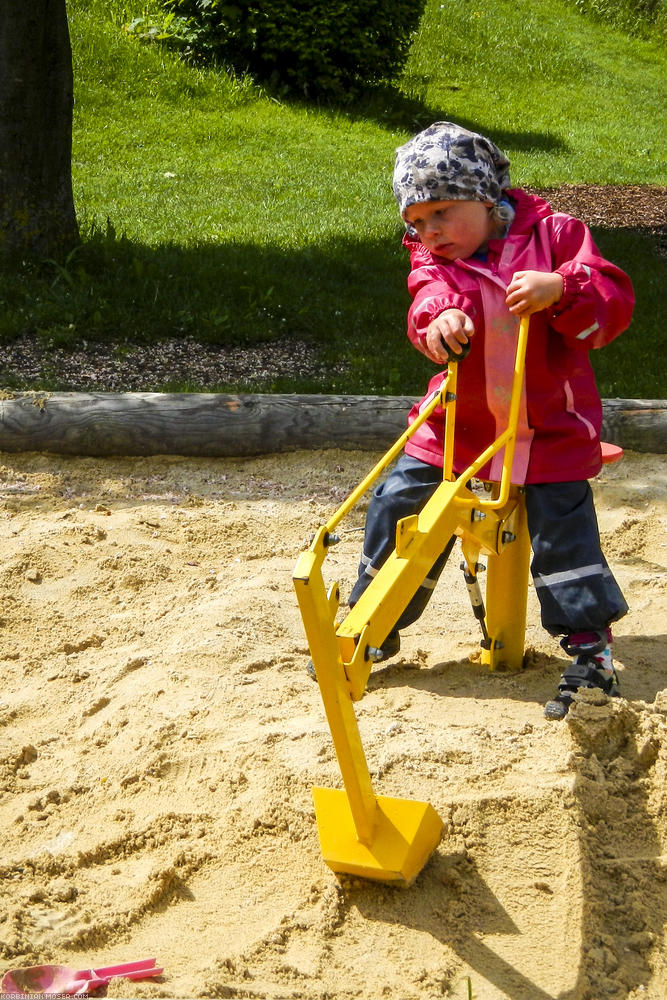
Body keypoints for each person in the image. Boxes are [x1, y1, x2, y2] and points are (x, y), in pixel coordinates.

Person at [347, 121, 635, 721]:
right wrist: (438, 322)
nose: (429, 232)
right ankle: (372, 619)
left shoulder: (556, 236)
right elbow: (426, 299)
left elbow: (610, 304)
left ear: (485, 197)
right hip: (458, 426)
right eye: (416, 222)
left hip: (549, 426)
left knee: (563, 533)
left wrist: (563, 286)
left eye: (442, 213)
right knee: (399, 501)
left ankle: (588, 649)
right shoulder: (433, 260)